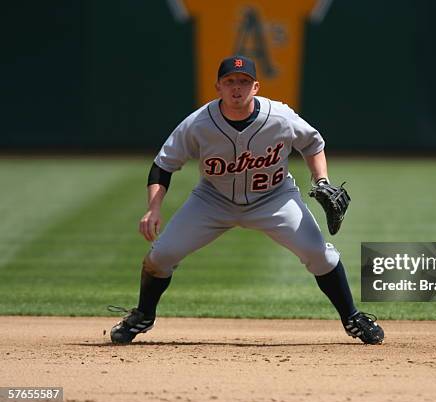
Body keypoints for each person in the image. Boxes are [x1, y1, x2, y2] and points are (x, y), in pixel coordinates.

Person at [109, 55, 384, 345]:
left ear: (256, 87)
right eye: (230, 82)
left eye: (243, 82)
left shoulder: (279, 116)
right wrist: (153, 208)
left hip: (274, 198)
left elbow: (313, 144)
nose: (236, 89)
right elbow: (163, 165)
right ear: (218, 87)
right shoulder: (198, 123)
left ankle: (352, 317)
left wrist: (322, 180)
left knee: (320, 254)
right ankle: (143, 315)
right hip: (213, 200)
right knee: (160, 256)